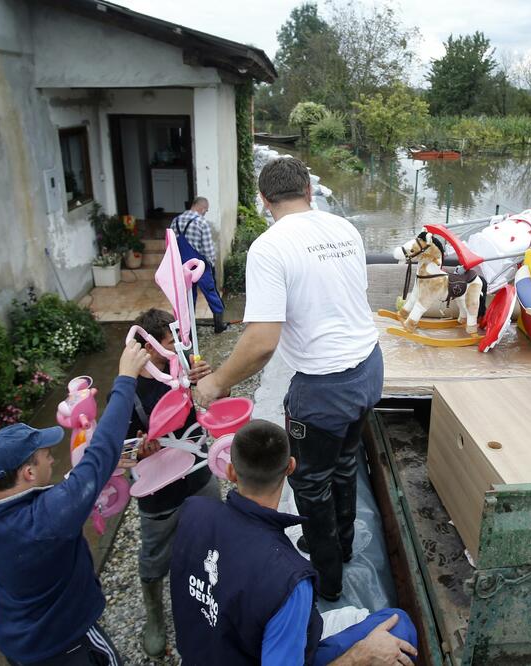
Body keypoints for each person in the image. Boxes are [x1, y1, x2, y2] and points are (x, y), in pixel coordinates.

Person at [195, 157, 382, 601]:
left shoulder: (269, 247)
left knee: (310, 486)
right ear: (309, 192)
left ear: (264, 200)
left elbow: (262, 341)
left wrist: (215, 383)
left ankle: (329, 581)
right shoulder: (345, 230)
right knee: (345, 462)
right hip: (370, 367)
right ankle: (346, 544)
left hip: (324, 388)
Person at [170, 419, 417, 665]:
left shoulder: (193, 512)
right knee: (399, 627)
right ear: (291, 467)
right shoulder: (288, 580)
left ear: (231, 471)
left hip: (203, 652)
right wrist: (358, 657)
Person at [0, 341, 150, 665]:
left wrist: (71, 486)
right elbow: (101, 452)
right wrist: (125, 377)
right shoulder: (47, 522)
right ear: (27, 472)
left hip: (20, 641)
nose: (53, 457)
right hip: (65, 643)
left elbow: (55, 501)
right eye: (46, 456)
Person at [127, 308, 222, 657]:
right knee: (154, 555)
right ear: (149, 349)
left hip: (198, 472)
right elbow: (122, 454)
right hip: (158, 491)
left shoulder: (185, 369)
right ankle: (155, 615)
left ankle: (208, 593)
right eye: (171, 343)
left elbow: (215, 410)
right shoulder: (129, 391)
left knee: (211, 537)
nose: (179, 348)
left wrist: (210, 383)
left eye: (179, 340)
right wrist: (141, 450)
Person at [172, 196, 227, 333]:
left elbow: (171, 247)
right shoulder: (202, 222)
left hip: (183, 267)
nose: (205, 213)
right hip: (200, 266)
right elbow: (208, 250)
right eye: (206, 210)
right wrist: (212, 265)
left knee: (187, 297)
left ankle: (188, 331)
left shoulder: (176, 221)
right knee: (211, 293)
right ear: (202, 208)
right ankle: (219, 325)